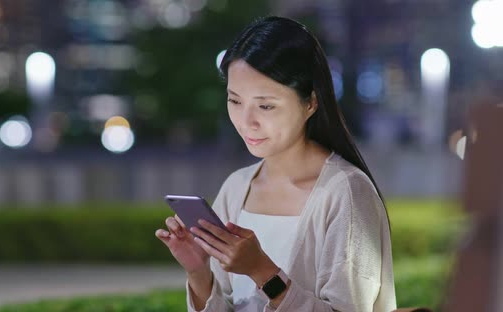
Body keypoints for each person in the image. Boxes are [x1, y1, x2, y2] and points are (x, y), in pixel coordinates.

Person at [155, 16, 396, 312]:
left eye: (266, 105)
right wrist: (199, 272)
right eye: (235, 100)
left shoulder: (345, 192)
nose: (247, 121)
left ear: (311, 102)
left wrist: (262, 271)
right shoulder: (238, 187)